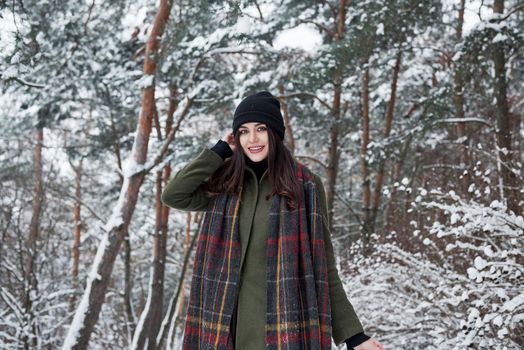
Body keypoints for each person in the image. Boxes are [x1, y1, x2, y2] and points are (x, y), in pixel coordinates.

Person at [161, 91, 384, 350]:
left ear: (275, 133)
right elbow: (173, 194)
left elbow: (324, 265)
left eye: (261, 129)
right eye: (243, 131)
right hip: (222, 331)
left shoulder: (306, 186)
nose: (252, 139)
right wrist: (218, 151)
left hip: (284, 332)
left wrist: (353, 336)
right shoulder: (225, 184)